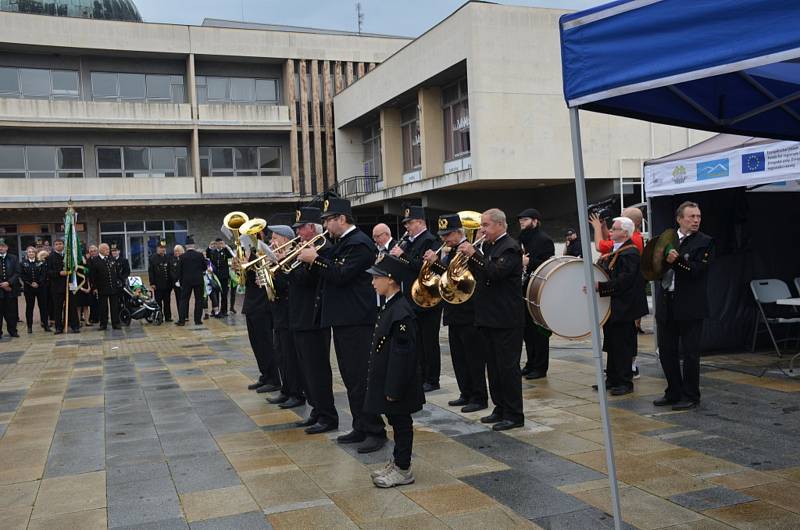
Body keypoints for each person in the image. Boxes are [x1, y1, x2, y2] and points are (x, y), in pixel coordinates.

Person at [297, 197, 387, 453]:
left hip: (357, 320)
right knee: (350, 377)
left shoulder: (359, 243)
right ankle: (360, 425)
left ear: (342, 219)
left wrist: (316, 259)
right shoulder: (341, 243)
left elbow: (341, 275)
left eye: (328, 220)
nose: (324, 224)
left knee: (361, 377)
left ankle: (375, 430)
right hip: (344, 319)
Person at [459, 208, 524, 431]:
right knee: (493, 368)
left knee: (507, 368)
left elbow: (496, 273)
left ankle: (514, 414)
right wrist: (473, 252)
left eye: (485, 225)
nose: (482, 230)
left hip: (506, 317)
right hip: (486, 316)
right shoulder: (488, 245)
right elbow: (478, 273)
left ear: (499, 225)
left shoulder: (511, 247)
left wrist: (474, 254)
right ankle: (500, 407)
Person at [365, 254, 424, 488]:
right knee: (395, 420)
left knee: (401, 422)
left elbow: (403, 355)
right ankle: (398, 461)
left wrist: (394, 388)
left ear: (390, 280)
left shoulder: (401, 312)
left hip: (398, 383)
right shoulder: (390, 306)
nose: (372, 282)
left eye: (376, 278)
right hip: (389, 380)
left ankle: (403, 468)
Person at [424, 214, 488, 413]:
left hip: (469, 313)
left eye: (448, 234)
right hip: (453, 312)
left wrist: (437, 262)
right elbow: (446, 277)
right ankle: (465, 392)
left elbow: (461, 279)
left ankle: (479, 397)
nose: (445, 239)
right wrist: (435, 263)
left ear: (459, 232)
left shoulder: (469, 249)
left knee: (473, 358)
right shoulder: (451, 251)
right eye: (443, 235)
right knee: (458, 358)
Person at [654, 202, 713, 411]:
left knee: (690, 354)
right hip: (666, 302)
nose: (696, 220)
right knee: (666, 351)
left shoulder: (705, 241)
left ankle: (691, 395)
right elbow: (654, 268)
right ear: (679, 219)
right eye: (691, 216)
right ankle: (673, 391)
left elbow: (697, 270)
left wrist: (677, 261)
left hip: (690, 306)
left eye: (698, 216)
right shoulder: (667, 240)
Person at [290, 207, 338, 433]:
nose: (298, 232)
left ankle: (327, 415)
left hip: (314, 317)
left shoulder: (323, 248)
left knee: (317, 370)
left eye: (301, 228)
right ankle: (316, 410)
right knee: (307, 370)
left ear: (312, 228)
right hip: (301, 316)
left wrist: (303, 259)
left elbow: (306, 281)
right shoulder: (305, 248)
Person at [390, 205, 443, 392]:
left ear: (421, 222)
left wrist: (402, 256)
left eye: (410, 223)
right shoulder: (409, 241)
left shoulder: (431, 240)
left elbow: (423, 267)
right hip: (411, 298)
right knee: (416, 340)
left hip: (427, 298)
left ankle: (432, 378)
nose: (407, 227)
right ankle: (420, 375)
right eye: (406, 223)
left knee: (429, 341)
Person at [595, 217, 649, 395]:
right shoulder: (616, 250)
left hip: (625, 307)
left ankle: (625, 382)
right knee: (612, 343)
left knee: (623, 345)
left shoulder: (630, 253)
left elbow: (625, 281)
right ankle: (612, 379)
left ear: (625, 233)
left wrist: (601, 287)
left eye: (614, 229)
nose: (610, 231)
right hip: (614, 306)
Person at [265, 224, 305, 409]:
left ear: (285, 239)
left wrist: (277, 267)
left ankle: (296, 392)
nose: (272, 241)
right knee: (280, 353)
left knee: (290, 355)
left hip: (289, 311)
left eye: (275, 238)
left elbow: (288, 283)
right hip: (278, 312)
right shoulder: (277, 256)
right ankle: (286, 389)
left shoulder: (292, 256)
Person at [238, 233, 282, 394]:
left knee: (266, 344)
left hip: (262, 305)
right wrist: (241, 269)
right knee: (256, 343)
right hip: (251, 304)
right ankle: (265, 375)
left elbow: (265, 281)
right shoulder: (249, 254)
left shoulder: (263, 253)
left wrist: (249, 264)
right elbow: (245, 282)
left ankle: (274, 379)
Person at [517, 208, 554, 380]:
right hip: (524, 289)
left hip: (538, 290)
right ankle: (530, 363)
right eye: (520, 221)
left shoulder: (544, 239)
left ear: (535, 221)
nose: (522, 223)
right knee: (527, 330)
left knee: (538, 331)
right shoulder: (522, 238)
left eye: (525, 220)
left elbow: (548, 264)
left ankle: (540, 367)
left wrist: (528, 261)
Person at [88, 243, 124, 330]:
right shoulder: (95, 260)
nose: (108, 251)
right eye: (106, 249)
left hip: (113, 286)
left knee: (114, 306)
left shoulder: (111, 259)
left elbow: (117, 272)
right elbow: (92, 276)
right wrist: (95, 287)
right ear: (101, 250)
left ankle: (115, 323)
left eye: (108, 249)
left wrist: (120, 281)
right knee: (103, 307)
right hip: (102, 287)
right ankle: (103, 324)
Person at [46, 239, 79, 334]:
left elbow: (73, 267)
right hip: (57, 287)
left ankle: (74, 326)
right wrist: (59, 273)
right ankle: (58, 327)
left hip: (69, 285)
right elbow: (48, 272)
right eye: (56, 244)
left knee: (72, 306)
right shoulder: (50, 257)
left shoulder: (68, 256)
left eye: (60, 244)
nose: (59, 246)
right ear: (54, 246)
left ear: (63, 245)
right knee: (57, 308)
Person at [175, 236, 206, 326]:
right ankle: (198, 320)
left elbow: (179, 270)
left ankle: (182, 320)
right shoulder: (199, 255)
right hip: (198, 280)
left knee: (184, 300)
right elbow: (204, 267)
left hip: (186, 281)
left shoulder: (182, 256)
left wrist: (179, 281)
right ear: (194, 245)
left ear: (186, 246)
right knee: (199, 300)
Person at [20, 246, 49, 333]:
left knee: (43, 307)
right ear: (27, 253)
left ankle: (45, 325)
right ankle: (29, 327)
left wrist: (38, 283)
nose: (31, 253)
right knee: (29, 307)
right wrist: (30, 283)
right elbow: (22, 275)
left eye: (32, 252)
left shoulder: (40, 263)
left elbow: (43, 274)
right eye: (29, 252)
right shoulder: (23, 263)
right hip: (29, 289)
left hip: (40, 288)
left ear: (35, 253)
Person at [206, 238, 233, 317]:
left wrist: (226, 247)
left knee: (224, 294)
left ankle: (224, 310)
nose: (219, 245)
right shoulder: (213, 252)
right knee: (215, 294)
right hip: (215, 276)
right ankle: (215, 310)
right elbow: (207, 255)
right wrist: (209, 247)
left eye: (220, 243)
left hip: (224, 276)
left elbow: (231, 255)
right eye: (217, 244)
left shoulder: (225, 251)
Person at [148, 240, 174, 322]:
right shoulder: (153, 258)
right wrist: (152, 283)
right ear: (157, 248)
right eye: (161, 248)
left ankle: (168, 317)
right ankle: (159, 317)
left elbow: (170, 270)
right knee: (158, 302)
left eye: (164, 248)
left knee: (167, 301)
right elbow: (151, 271)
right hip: (158, 285)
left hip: (167, 284)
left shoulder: (168, 257)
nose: (162, 249)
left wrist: (172, 282)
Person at [0, 239, 21, 338]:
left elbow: (17, 272)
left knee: (11, 312)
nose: (1, 248)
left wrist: (8, 283)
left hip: (11, 289)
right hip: (0, 289)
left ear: (6, 247)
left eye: (3, 246)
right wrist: (2, 284)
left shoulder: (14, 258)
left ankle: (13, 331)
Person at [171, 245, 184, 317]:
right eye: (175, 251)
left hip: (184, 283)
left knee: (184, 299)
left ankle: (185, 315)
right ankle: (180, 315)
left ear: (181, 251)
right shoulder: (172, 260)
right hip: (176, 283)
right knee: (178, 299)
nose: (176, 252)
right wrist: (176, 279)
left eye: (178, 251)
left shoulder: (184, 259)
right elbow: (172, 271)